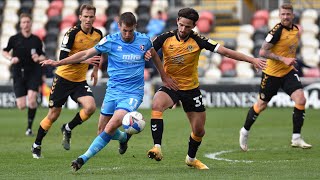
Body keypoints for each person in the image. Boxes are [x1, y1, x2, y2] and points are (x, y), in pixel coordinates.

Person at [40, 12, 177, 171]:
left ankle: (82, 159)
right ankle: (124, 137)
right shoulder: (110, 41)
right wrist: (59, 62)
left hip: (133, 93)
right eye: (124, 30)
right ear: (119, 26)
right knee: (102, 130)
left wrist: (164, 76)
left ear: (135, 27)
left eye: (130, 31)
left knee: (111, 125)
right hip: (113, 91)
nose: (127, 34)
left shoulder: (144, 40)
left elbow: (154, 54)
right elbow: (85, 53)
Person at [144, 8, 266, 170]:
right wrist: (155, 65)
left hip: (191, 89)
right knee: (157, 104)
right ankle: (157, 147)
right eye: (180, 25)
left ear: (194, 26)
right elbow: (149, 50)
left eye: (187, 26)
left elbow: (226, 52)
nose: (182, 29)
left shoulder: (198, 40)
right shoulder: (165, 38)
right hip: (171, 85)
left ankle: (191, 159)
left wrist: (251, 59)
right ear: (177, 22)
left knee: (199, 131)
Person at [31, 4, 103, 159]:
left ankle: (68, 127)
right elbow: (62, 59)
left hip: (79, 80)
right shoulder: (72, 33)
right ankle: (36, 145)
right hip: (63, 78)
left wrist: (96, 70)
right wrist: (86, 60)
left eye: (91, 17)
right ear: (80, 17)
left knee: (90, 107)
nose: (88, 19)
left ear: (94, 18)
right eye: (85, 16)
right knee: (53, 114)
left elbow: (99, 53)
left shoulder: (98, 34)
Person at [239, 3, 312, 152]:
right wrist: (283, 59)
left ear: (293, 15)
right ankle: (245, 131)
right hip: (271, 74)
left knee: (301, 99)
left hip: (287, 72)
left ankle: (296, 138)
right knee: (261, 105)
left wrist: (290, 60)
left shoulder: (296, 29)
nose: (285, 17)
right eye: (283, 14)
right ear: (279, 16)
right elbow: (262, 52)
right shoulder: (276, 31)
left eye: (288, 14)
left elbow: (289, 49)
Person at [2, 13, 46, 136]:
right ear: (20, 24)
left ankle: (29, 128)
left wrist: (38, 57)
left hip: (33, 72)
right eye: (24, 22)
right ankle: (27, 116)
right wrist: (11, 58)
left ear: (31, 24)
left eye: (28, 22)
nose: (26, 24)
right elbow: (4, 51)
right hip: (18, 73)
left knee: (32, 100)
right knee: (21, 106)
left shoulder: (36, 40)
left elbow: (43, 56)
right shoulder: (14, 39)